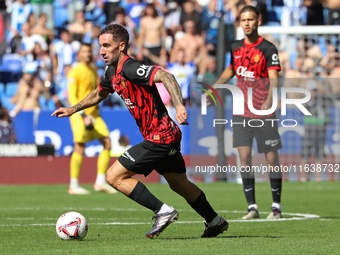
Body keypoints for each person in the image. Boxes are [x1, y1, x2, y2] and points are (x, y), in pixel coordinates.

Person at [52, 24, 228, 238]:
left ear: (121, 46)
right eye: (100, 46)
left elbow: (167, 77)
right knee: (179, 184)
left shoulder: (130, 67)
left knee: (113, 176)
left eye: (106, 46)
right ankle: (215, 221)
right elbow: (99, 93)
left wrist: (180, 106)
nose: (101, 51)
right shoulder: (111, 71)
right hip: (166, 136)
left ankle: (163, 211)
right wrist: (73, 108)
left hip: (160, 136)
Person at [209, 6, 283, 219]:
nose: (247, 23)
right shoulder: (236, 46)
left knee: (271, 159)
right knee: (245, 157)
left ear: (258, 21)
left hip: (263, 111)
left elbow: (274, 80)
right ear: (240, 23)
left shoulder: (268, 49)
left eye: (251, 19)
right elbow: (231, 69)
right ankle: (252, 207)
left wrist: (268, 105)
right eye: (243, 20)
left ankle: (276, 206)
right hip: (241, 111)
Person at [62, 43, 117, 195]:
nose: (87, 54)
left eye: (89, 51)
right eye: (84, 52)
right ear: (78, 55)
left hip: (94, 115)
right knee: (80, 146)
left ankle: (100, 182)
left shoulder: (93, 70)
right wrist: (82, 114)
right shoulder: (75, 71)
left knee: (107, 142)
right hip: (80, 115)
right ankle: (73, 185)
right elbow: (72, 96)